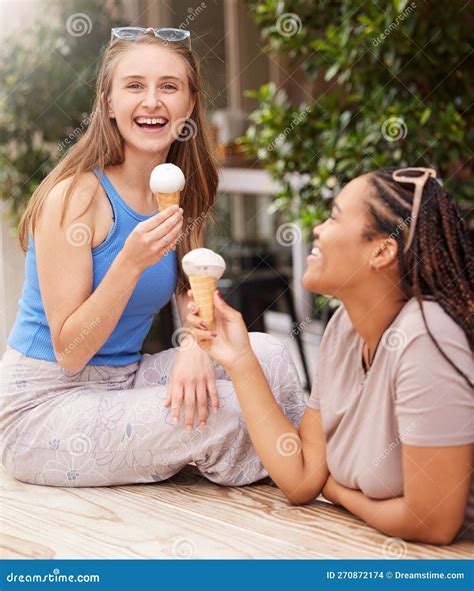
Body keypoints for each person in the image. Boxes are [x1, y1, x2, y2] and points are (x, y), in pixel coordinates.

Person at [0, 28, 306, 487]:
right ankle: (308, 480)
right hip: (45, 405)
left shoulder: (179, 191)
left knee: (270, 356)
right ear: (108, 103)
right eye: (134, 85)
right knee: (230, 412)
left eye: (169, 86)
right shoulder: (76, 198)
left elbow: (191, 290)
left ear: (189, 104)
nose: (152, 101)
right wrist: (128, 261)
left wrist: (193, 347)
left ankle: (307, 471)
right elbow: (69, 351)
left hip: (127, 379)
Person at [187, 167, 473, 545]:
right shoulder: (344, 329)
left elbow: (431, 523)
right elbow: (303, 476)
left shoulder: (425, 337)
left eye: (335, 216)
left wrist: (338, 493)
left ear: (382, 250)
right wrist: (239, 359)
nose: (318, 229)